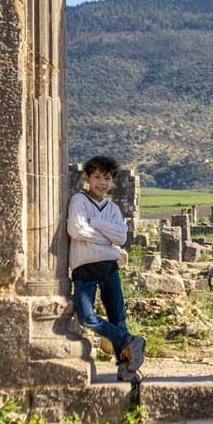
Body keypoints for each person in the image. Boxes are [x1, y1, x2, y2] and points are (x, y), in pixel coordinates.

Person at [67, 155, 146, 383]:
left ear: (112, 182)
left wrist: (96, 224)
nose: (102, 183)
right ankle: (130, 339)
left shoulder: (112, 208)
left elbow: (121, 237)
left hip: (109, 267)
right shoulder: (78, 201)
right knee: (87, 317)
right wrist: (106, 236)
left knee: (117, 317)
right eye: (97, 177)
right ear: (88, 178)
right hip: (85, 268)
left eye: (107, 178)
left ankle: (126, 368)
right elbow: (76, 230)